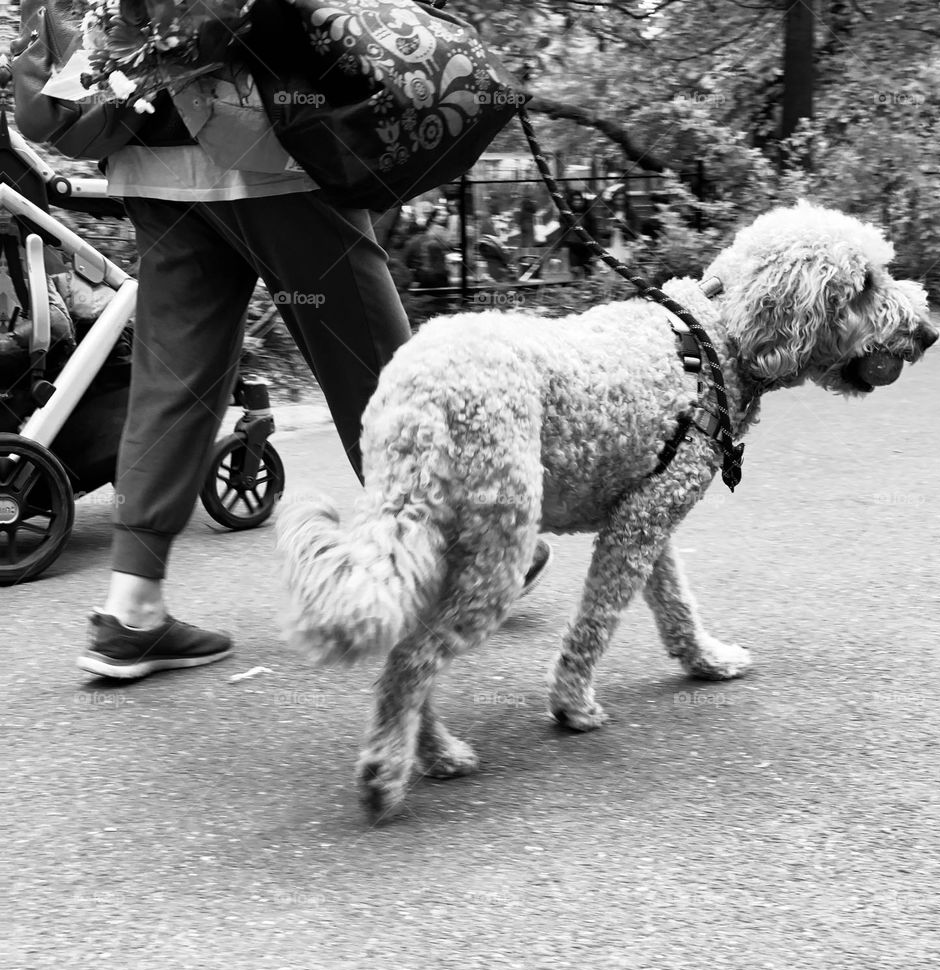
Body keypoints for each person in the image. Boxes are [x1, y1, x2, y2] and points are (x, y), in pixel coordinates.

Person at [14, 6, 552, 679]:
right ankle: (476, 545)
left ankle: (132, 609)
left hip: (151, 159)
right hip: (273, 153)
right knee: (378, 365)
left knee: (172, 378)